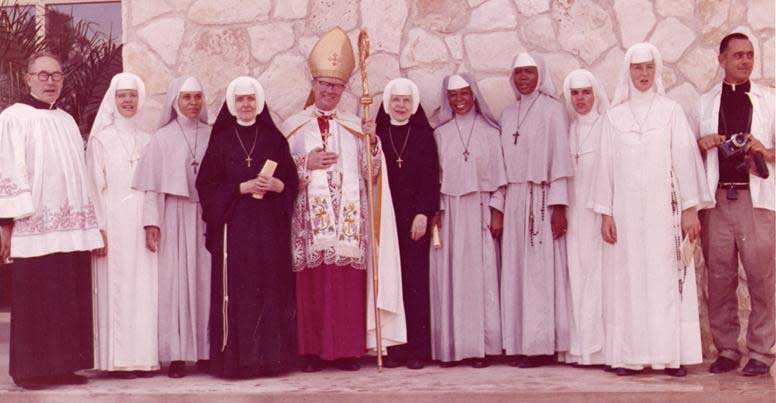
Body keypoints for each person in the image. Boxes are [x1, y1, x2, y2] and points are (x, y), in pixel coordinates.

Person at [281, 27, 405, 372]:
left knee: (346, 286)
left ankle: (348, 351)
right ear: (314, 85)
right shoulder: (294, 126)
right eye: (324, 84)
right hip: (309, 222)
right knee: (312, 286)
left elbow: (372, 173)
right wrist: (305, 164)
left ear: (343, 90)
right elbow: (279, 170)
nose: (330, 91)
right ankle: (311, 353)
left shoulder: (354, 126)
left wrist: (373, 143)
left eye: (336, 86)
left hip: (349, 224)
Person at [591, 42, 711, 377]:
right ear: (627, 71)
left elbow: (685, 162)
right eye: (637, 68)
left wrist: (690, 209)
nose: (643, 74)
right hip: (626, 215)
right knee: (628, 280)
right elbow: (605, 169)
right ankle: (631, 356)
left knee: (665, 279)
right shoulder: (614, 118)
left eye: (648, 68)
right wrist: (606, 213)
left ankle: (670, 355)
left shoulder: (670, 111)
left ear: (656, 70)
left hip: (665, 214)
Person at [0, 52, 103, 389]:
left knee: (67, 294)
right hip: (35, 224)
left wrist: (92, 222)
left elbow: (80, 173)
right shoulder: (14, 117)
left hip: (71, 225)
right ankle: (31, 372)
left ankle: (64, 366)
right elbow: (7, 168)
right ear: (28, 78)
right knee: (37, 297)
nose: (49, 81)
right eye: (42, 75)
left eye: (56, 75)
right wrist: (6, 222)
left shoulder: (67, 120)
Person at [196, 77, 299, 378]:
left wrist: (277, 184)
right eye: (240, 99)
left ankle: (271, 360)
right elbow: (206, 186)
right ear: (231, 103)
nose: (245, 104)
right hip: (235, 230)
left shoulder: (274, 139)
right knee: (239, 292)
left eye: (250, 99)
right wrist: (242, 187)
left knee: (269, 287)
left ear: (259, 101)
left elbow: (291, 183)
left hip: (268, 229)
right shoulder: (222, 140)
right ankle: (237, 363)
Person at [692, 32, 775, 376]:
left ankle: (759, 352)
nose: (745, 61)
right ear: (721, 59)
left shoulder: (770, 101)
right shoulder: (703, 104)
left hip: (755, 202)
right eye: (738, 55)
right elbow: (689, 157)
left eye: (750, 55)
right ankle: (726, 349)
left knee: (761, 277)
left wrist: (762, 149)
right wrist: (703, 143)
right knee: (721, 277)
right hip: (717, 201)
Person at [132, 76, 211, 378]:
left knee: (205, 280)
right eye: (186, 97)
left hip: (206, 214)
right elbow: (152, 187)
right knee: (176, 283)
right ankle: (177, 355)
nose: (192, 103)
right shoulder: (162, 138)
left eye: (197, 97)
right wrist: (152, 222)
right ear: (175, 102)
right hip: (174, 214)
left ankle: (205, 352)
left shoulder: (213, 134)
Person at [498, 52, 573, 368]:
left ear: (540, 75)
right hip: (514, 198)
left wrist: (558, 205)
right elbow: (501, 164)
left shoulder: (553, 110)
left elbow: (559, 159)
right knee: (515, 272)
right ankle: (517, 343)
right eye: (518, 73)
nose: (524, 78)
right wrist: (499, 208)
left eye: (529, 72)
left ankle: (540, 346)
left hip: (541, 200)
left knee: (538, 274)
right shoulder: (507, 114)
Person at [429, 73, 506, 368]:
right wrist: (435, 210)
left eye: (464, 94)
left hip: (480, 211)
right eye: (453, 95)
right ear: (447, 99)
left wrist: (497, 211)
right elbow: (433, 178)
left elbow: (500, 179)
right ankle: (452, 348)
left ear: (473, 95)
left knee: (479, 277)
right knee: (451, 278)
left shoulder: (491, 132)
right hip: (449, 212)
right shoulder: (440, 134)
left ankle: (479, 349)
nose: (459, 100)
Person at [87, 72, 159, 378]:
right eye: (122, 95)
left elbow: (153, 185)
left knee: (144, 290)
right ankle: (115, 361)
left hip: (141, 223)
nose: (128, 101)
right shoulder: (100, 140)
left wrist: (152, 222)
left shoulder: (148, 139)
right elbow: (92, 187)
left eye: (132, 95)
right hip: (112, 224)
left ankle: (143, 359)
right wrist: (98, 228)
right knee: (116, 289)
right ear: (113, 100)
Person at [375, 78, 439, 370]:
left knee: (414, 283)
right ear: (387, 103)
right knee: (390, 281)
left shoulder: (424, 135)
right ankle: (394, 349)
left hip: (415, 220)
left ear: (413, 104)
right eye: (396, 100)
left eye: (405, 100)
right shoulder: (377, 134)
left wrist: (424, 213)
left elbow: (430, 178)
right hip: (386, 217)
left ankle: (417, 350)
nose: (400, 106)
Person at [557, 69, 609, 366]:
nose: (580, 99)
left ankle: (600, 349)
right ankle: (579, 348)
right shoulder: (568, 129)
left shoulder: (606, 126)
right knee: (575, 276)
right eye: (575, 93)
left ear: (595, 94)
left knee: (598, 277)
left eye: (586, 92)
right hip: (573, 214)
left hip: (597, 212)